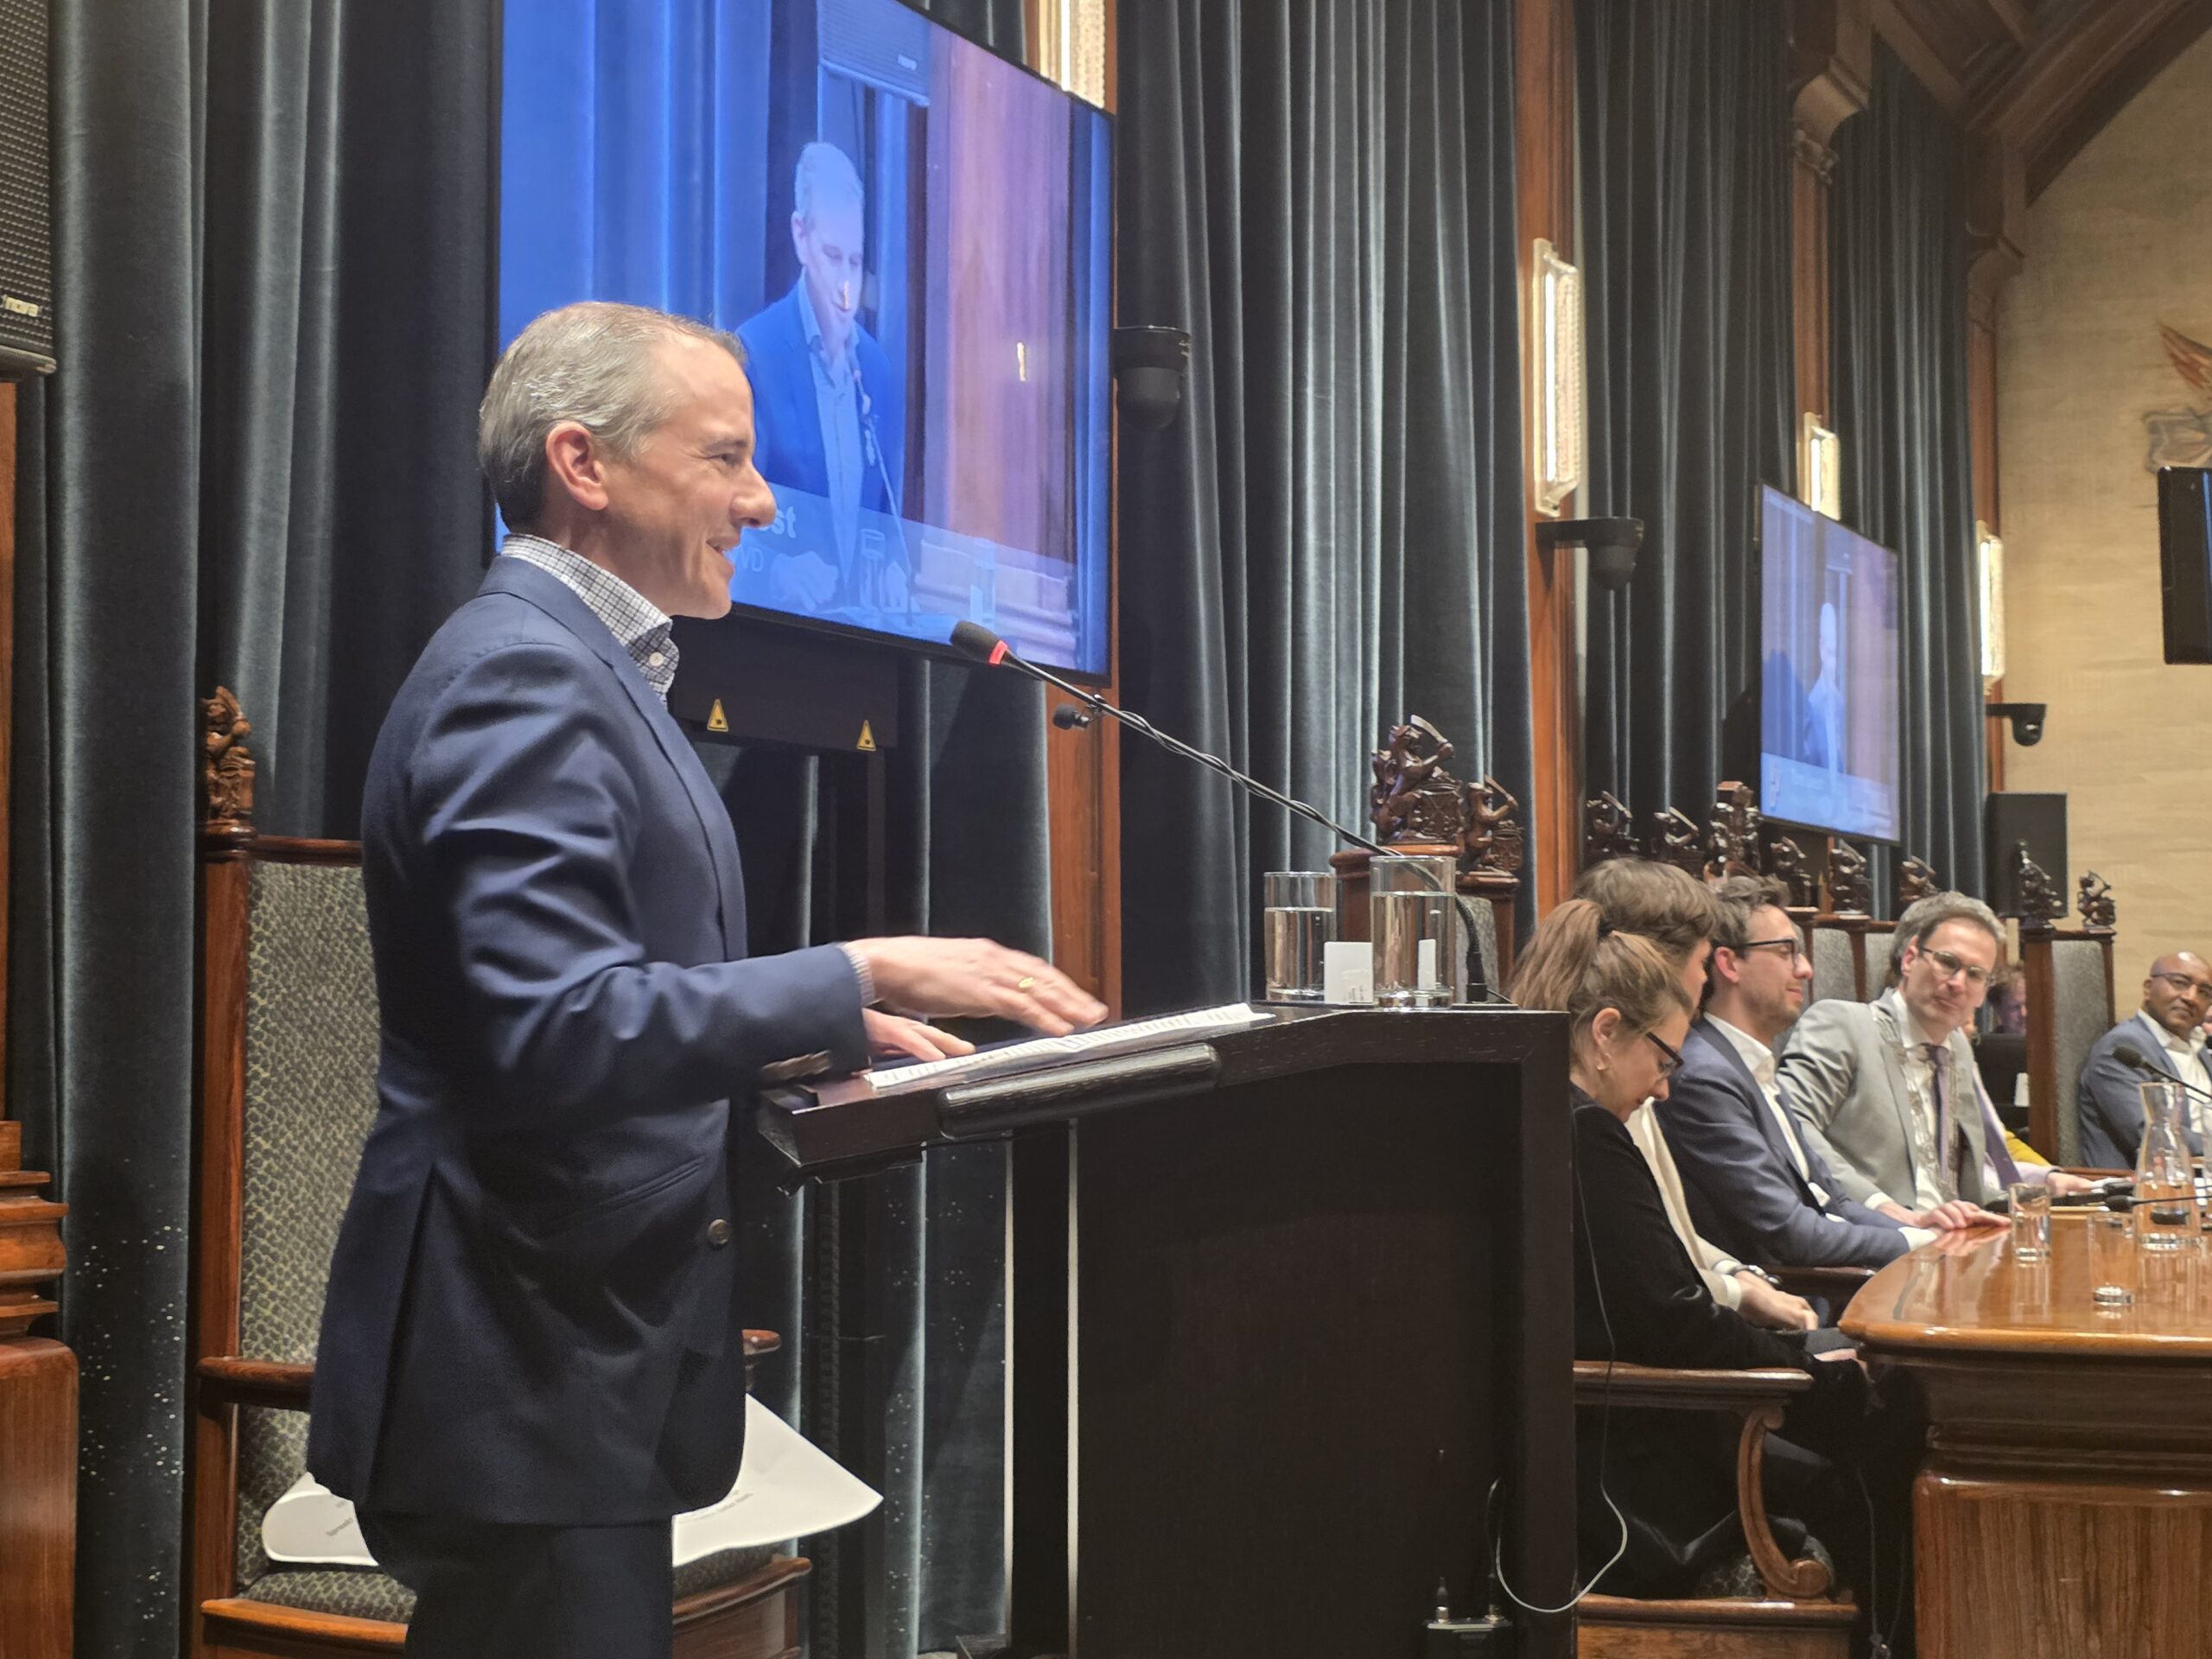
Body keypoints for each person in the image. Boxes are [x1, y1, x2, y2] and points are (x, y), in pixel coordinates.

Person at [306, 300, 1104, 1659]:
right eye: (725, 457)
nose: (763, 501)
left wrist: (824, 1029)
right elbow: (553, 1028)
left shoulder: (582, 667)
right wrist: (851, 964)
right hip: (522, 1367)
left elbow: (611, 992)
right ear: (584, 464)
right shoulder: (521, 677)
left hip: (564, 1366)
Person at [1541, 899, 1871, 1599]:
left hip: (1621, 1427)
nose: (1666, 1086)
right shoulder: (1587, 1134)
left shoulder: (1557, 1113)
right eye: (1664, 1059)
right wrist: (1809, 1373)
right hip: (1633, 1473)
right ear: (1605, 1032)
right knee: (1878, 1439)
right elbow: (1674, 1320)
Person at [1514, 859, 1816, 1332]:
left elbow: (1667, 1237)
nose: (1706, 979)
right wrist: (1742, 1296)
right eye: (1702, 961)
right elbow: (1652, 1290)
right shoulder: (1602, 1094)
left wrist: (1734, 1274)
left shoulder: (1622, 1062)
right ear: (1654, 961)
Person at [1660, 876, 1921, 1272]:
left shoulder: (1750, 1063)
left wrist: (1923, 1236)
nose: (1806, 969)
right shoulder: (1704, 1077)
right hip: (1782, 1297)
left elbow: (1834, 1201)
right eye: (1786, 952)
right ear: (1729, 963)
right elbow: (1790, 1232)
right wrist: (1918, 1247)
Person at [1780, 892, 2088, 1225]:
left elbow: (1958, 1187)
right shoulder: (1843, 1025)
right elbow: (1790, 1126)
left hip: (1957, 1236)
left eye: (1975, 974)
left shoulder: (1958, 1047)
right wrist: (1884, 1207)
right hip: (1875, 1236)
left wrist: (2044, 1188)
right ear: (1910, 958)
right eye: (1947, 962)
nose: (1958, 983)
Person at [737, 141, 909, 616]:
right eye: (833, 257)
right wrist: (775, 573)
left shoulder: (876, 368)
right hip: (771, 629)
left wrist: (894, 570)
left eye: (855, 261)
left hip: (858, 635)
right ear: (801, 237)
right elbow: (721, 514)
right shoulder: (756, 352)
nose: (846, 286)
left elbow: (887, 520)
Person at [2077, 950, 2212, 1167]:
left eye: (2204, 992)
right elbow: (2153, 1133)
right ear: (2148, 988)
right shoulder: (2124, 1050)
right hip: (2141, 1181)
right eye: (2180, 983)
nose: (2191, 997)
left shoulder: (2198, 1047)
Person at [1802, 600, 1845, 772]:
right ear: (1821, 649)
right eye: (1830, 653)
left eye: (1836, 654)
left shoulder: (1839, 702)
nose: (1833, 664)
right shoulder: (1812, 704)